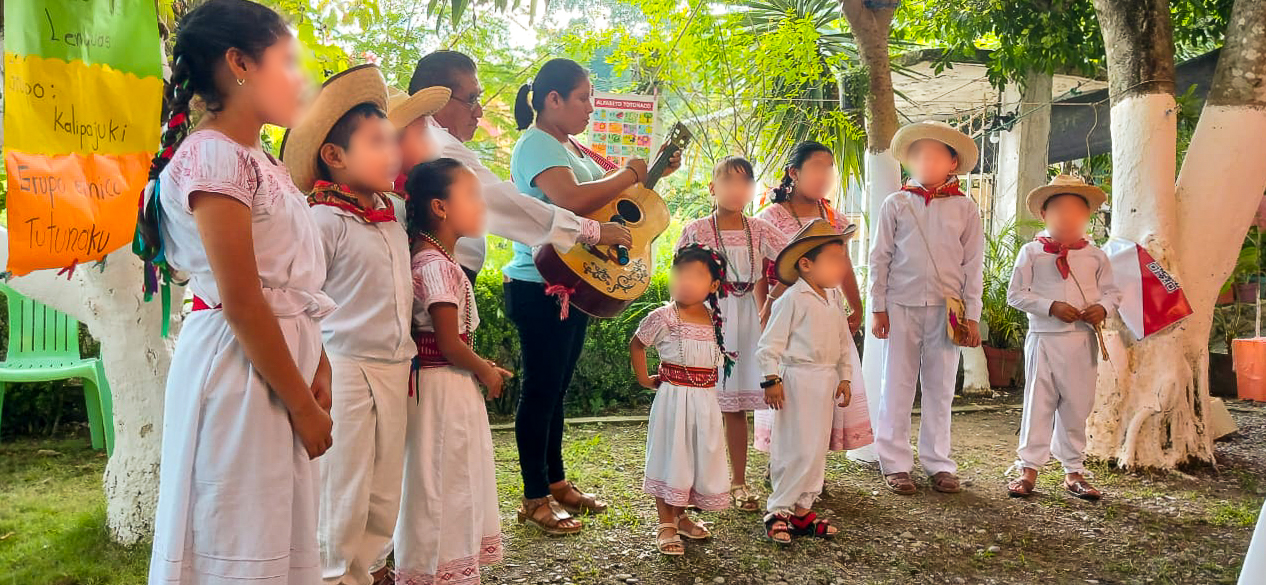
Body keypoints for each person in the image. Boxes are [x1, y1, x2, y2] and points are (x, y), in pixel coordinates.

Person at [137, 1, 334, 582]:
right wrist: (301, 403)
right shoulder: (215, 156)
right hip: (240, 371)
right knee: (238, 533)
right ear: (240, 63)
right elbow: (244, 300)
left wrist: (317, 358)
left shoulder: (259, 157)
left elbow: (291, 283)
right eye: (287, 61)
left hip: (277, 366)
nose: (299, 78)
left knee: (273, 526)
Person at [278, 65, 445, 585]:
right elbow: (300, 297)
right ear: (334, 156)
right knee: (342, 486)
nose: (391, 153)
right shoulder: (323, 220)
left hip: (396, 367)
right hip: (347, 367)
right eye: (376, 143)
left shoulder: (392, 214)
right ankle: (331, 574)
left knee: (382, 486)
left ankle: (367, 568)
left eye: (392, 142)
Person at [504, 57, 681, 534]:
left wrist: (648, 175)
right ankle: (534, 496)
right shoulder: (536, 143)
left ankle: (557, 483)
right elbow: (571, 200)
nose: (590, 107)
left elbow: (606, 209)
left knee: (556, 390)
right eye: (583, 97)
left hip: (575, 283)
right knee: (540, 390)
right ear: (553, 100)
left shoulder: (571, 147)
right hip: (538, 282)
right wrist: (627, 174)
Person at [406, 50, 632, 281]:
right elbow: (503, 204)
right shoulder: (437, 145)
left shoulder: (437, 140)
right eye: (471, 99)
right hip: (453, 276)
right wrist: (592, 230)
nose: (479, 111)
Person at [394, 158, 511, 584]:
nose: (481, 205)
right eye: (471, 196)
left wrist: (478, 365)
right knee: (443, 477)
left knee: (443, 476)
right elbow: (447, 342)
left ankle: (441, 567)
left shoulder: (433, 258)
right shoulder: (437, 265)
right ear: (440, 207)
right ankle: (436, 569)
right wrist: (486, 371)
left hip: (442, 383)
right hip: (441, 388)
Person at [869, 120, 985, 496]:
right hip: (900, 304)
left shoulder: (966, 208)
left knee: (940, 387)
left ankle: (938, 463)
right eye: (918, 154)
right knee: (897, 385)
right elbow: (879, 257)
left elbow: (972, 265)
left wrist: (971, 315)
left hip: (947, 309)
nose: (926, 160)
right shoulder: (896, 203)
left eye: (935, 154)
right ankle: (895, 464)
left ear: (953, 163)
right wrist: (878, 306)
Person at [675, 157, 787, 512]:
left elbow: (795, 259)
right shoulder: (696, 230)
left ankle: (737, 481)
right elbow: (680, 277)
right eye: (729, 182)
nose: (737, 190)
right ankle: (692, 482)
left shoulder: (760, 229)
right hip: (709, 316)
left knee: (736, 406)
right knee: (700, 402)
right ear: (713, 188)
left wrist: (771, 297)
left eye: (745, 183)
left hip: (748, 319)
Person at [753, 141, 871, 464]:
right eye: (817, 167)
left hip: (827, 310)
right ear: (794, 172)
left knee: (823, 390)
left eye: (828, 169)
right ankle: (780, 464)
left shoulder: (834, 218)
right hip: (787, 312)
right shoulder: (770, 217)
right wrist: (764, 310)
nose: (824, 175)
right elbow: (760, 272)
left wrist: (856, 306)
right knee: (788, 389)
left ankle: (812, 467)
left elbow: (843, 266)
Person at [1005, 175, 1119, 501]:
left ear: (1087, 217)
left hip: (1082, 340)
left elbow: (1113, 293)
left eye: (1075, 211)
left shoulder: (1096, 256)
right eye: (1059, 210)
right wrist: (1049, 306)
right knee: (1038, 402)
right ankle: (1028, 469)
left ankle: (1074, 471)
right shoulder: (1031, 252)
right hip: (1043, 338)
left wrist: (1102, 308)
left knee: (1077, 404)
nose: (1067, 217)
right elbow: (1016, 294)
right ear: (1044, 214)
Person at [756, 219, 868, 543]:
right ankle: (778, 510)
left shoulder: (833, 298)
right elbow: (769, 345)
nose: (841, 266)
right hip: (796, 381)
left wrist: (845, 378)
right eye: (833, 259)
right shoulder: (792, 300)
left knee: (816, 448)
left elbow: (843, 341)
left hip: (824, 380)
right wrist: (771, 380)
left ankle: (803, 509)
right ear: (806, 264)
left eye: (843, 258)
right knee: (794, 447)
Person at [630, 244, 734, 555]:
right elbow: (637, 345)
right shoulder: (663, 317)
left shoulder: (715, 317)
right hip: (674, 400)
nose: (686, 281)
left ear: (713, 285)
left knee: (696, 457)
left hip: (705, 402)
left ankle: (682, 515)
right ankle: (666, 522)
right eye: (680, 273)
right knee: (672, 456)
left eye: (696, 275)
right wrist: (644, 377)